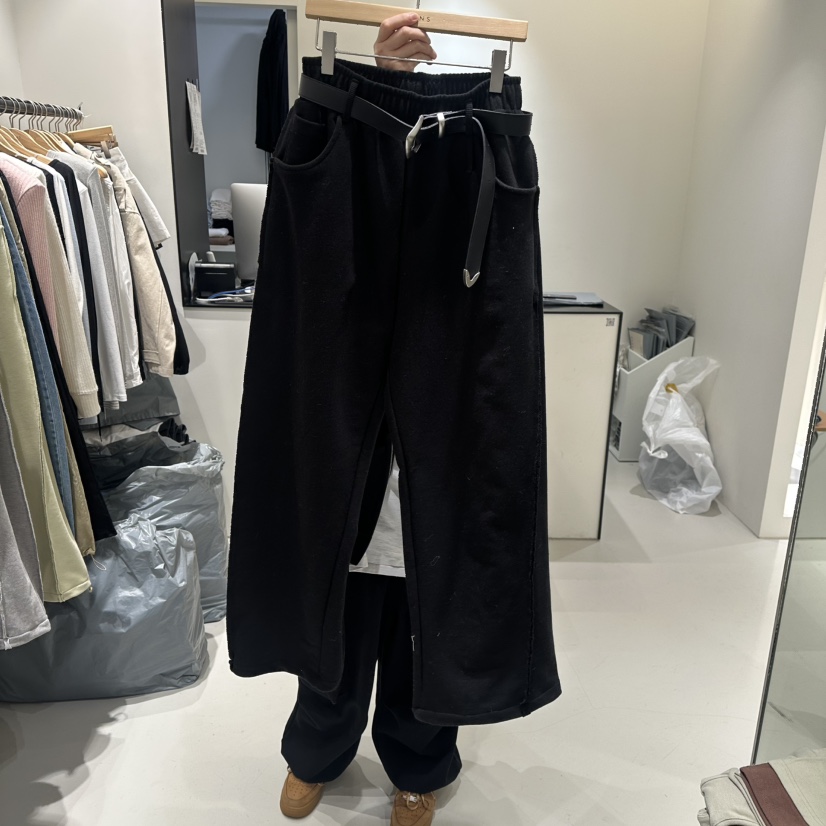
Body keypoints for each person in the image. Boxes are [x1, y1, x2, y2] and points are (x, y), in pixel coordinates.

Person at [277, 19, 452, 826]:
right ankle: (316, 753)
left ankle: (418, 767)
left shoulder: (465, 160)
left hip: (427, 476)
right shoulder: (347, 166)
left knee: (424, 639)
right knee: (334, 638)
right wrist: (379, 80)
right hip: (351, 463)